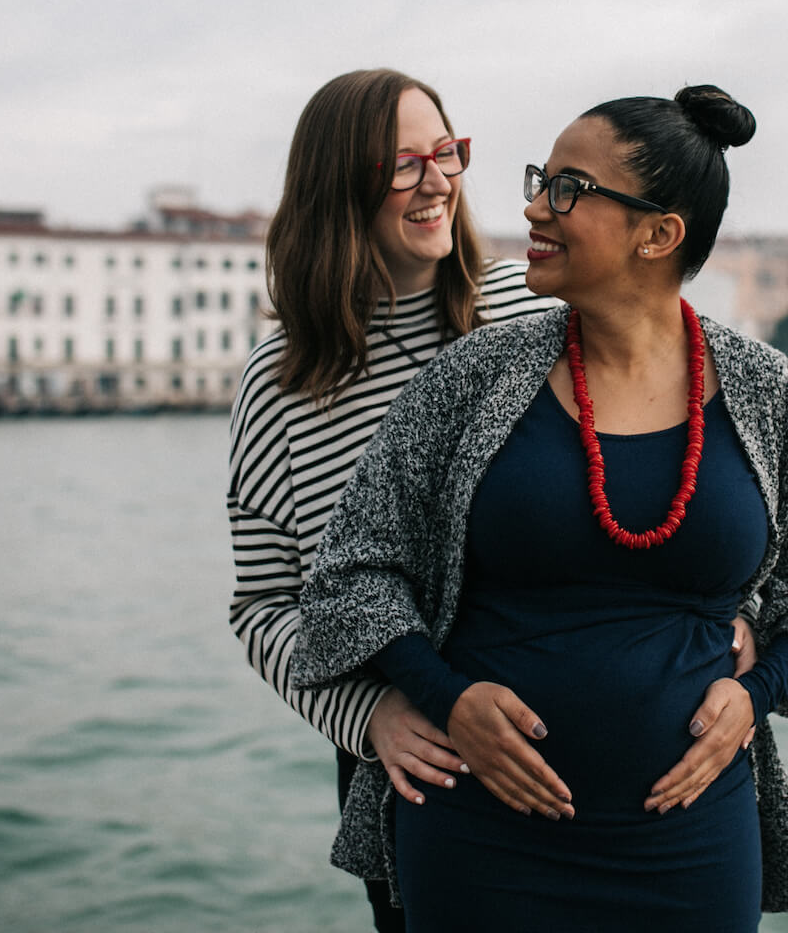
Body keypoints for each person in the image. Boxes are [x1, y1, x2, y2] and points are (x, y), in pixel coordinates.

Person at [294, 84, 788, 929]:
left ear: (657, 233)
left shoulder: (768, 392)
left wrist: (762, 692)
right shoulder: (470, 381)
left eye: (568, 188)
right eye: (542, 179)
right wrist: (444, 694)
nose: (535, 205)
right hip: (477, 843)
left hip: (691, 846)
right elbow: (349, 576)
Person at [227, 68, 558, 932]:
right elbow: (264, 604)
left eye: (445, 153)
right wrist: (366, 714)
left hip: (578, 735)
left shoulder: (535, 308)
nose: (439, 181)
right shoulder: (281, 380)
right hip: (418, 766)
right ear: (340, 188)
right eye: (404, 164)